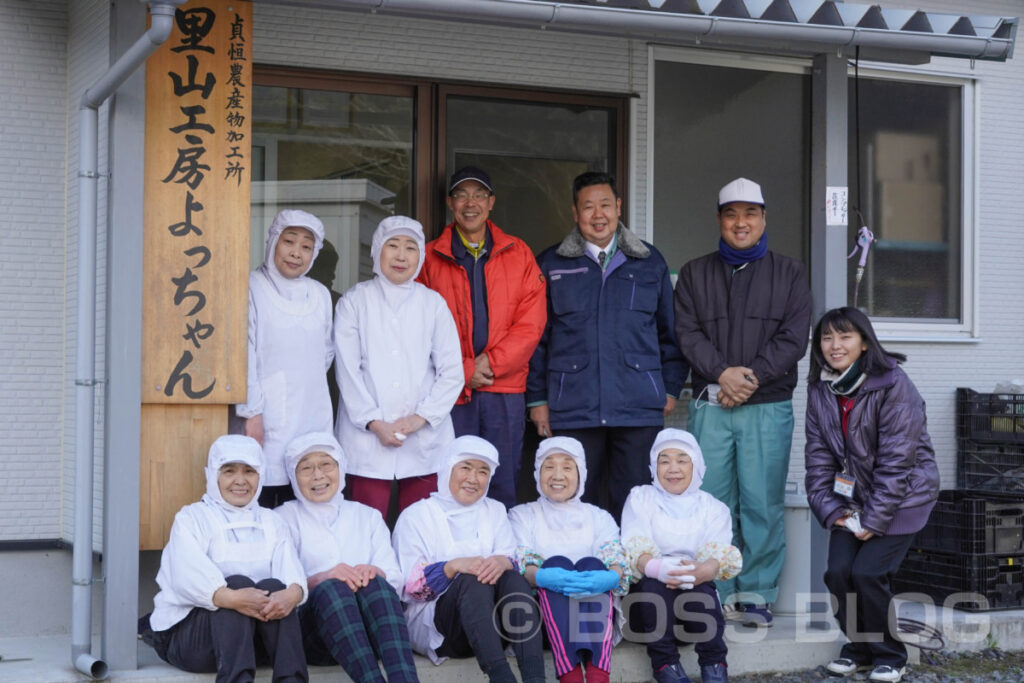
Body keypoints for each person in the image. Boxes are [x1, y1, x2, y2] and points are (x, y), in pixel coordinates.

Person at [672, 177, 811, 625]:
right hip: (712, 404)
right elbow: (686, 333)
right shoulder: (695, 272)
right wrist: (721, 374)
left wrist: (747, 378)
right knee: (711, 501)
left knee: (761, 502)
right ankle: (716, 588)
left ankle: (755, 593)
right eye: (731, 214)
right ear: (719, 219)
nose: (741, 222)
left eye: (750, 213)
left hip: (766, 405)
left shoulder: (790, 272)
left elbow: (793, 337)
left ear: (764, 218)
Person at [527, 171, 687, 522]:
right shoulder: (552, 263)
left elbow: (670, 333)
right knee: (574, 499)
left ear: (618, 207)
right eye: (588, 207)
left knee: (635, 500)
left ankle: (627, 576)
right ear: (574, 212)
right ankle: (580, 576)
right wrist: (538, 400)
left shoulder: (649, 261)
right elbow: (537, 339)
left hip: (637, 406)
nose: (598, 215)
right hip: (572, 405)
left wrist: (669, 388)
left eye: (605, 205)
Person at [804, 307, 939, 683]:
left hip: (903, 498)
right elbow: (818, 458)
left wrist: (874, 519)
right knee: (838, 574)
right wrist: (834, 513)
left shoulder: (894, 384)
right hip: (853, 502)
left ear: (864, 343)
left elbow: (898, 462)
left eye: (845, 337)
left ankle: (890, 654)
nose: (835, 345)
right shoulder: (820, 386)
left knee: (868, 573)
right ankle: (860, 647)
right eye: (827, 338)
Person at [419, 166, 547, 508]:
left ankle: (497, 558)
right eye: (461, 195)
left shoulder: (518, 253)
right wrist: (463, 370)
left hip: (503, 389)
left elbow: (531, 323)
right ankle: (450, 558)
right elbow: (417, 329)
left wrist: (489, 364)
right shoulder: (429, 257)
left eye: (478, 195)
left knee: (501, 479)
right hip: (450, 391)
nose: (470, 203)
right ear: (450, 203)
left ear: (491, 203)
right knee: (451, 479)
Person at [141, 435, 308, 682]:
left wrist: (291, 595)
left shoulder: (272, 521)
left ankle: (291, 680)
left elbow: (292, 575)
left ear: (260, 476)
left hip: (253, 644)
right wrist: (232, 597)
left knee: (275, 588)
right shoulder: (192, 518)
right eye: (229, 471)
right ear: (213, 476)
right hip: (193, 644)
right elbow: (186, 576)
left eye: (249, 471)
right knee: (236, 583)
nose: (240, 481)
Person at [333, 215, 463, 518]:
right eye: (393, 245)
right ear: (377, 249)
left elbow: (452, 371)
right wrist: (374, 423)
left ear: (420, 256)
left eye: (410, 247)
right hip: (366, 437)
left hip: (423, 438)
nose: (401, 256)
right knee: (366, 521)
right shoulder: (354, 301)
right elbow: (348, 371)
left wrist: (420, 418)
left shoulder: (433, 304)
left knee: (420, 524)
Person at [392, 435, 546, 683]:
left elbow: (512, 556)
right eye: (465, 468)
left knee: (512, 579)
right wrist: (451, 568)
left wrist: (503, 562)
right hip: (443, 630)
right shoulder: (417, 515)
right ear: (447, 469)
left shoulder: (494, 510)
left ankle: (535, 677)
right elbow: (409, 589)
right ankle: (501, 677)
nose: (473, 479)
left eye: (483, 471)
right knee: (472, 580)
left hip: (494, 627)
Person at [277, 432, 419, 683]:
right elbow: (281, 585)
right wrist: (324, 577)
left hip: (372, 634)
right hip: (315, 638)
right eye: (306, 468)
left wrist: (373, 571)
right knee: (333, 587)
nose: (318, 475)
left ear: (341, 468)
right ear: (293, 475)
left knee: (376, 582)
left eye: (326, 464)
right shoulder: (282, 519)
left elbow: (395, 578)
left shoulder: (367, 516)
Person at [621, 429, 741, 683]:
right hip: (645, 611)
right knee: (655, 585)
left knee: (703, 589)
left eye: (682, 460)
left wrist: (700, 572)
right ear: (654, 465)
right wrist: (657, 568)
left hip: (693, 615)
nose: (673, 468)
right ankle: (666, 666)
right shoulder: (641, 498)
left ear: (696, 464)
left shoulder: (713, 508)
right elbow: (634, 547)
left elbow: (716, 557)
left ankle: (715, 664)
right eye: (664, 460)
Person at [508, 436, 630, 683]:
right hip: (542, 624)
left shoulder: (599, 516)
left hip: (594, 622)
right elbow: (522, 561)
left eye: (567, 466)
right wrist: (542, 576)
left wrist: (611, 576)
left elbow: (614, 556)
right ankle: (570, 675)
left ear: (581, 473)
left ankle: (598, 674)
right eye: (549, 466)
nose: (558, 475)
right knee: (556, 565)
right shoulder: (522, 515)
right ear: (538, 473)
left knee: (594, 566)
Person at [236, 209, 334, 507]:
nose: (296, 253)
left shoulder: (320, 294)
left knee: (303, 493)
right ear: (272, 242)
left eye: (306, 247)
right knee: (261, 489)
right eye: (289, 241)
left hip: (312, 411)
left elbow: (326, 352)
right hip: (261, 415)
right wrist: (252, 412)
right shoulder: (251, 286)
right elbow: (244, 351)